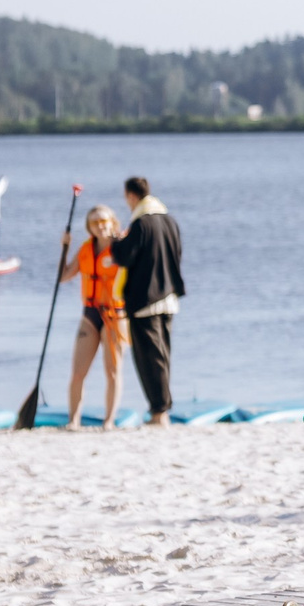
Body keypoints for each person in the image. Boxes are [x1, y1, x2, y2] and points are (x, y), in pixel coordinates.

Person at [98, 176, 185, 426]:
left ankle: (159, 412)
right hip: (169, 296)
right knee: (163, 354)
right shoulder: (169, 220)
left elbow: (125, 257)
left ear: (131, 196)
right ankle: (161, 409)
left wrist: (116, 242)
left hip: (146, 299)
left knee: (149, 358)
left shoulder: (141, 223)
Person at [62, 205, 128, 427]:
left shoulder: (123, 247)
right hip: (90, 314)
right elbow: (62, 277)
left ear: (112, 222)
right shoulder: (85, 249)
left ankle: (108, 420)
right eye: (95, 223)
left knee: (112, 371)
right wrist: (64, 248)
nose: (100, 226)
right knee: (77, 373)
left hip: (115, 315)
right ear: (89, 228)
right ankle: (73, 421)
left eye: (104, 221)